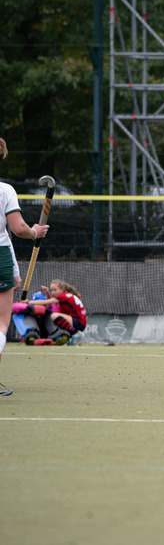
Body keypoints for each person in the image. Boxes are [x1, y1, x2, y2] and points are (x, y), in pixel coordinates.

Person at [0, 138, 51, 395]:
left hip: (3, 254)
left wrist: (17, 271)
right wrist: (35, 232)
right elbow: (17, 229)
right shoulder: (5, 190)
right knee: (1, 323)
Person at [13, 279, 87, 345]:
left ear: (62, 289)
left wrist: (29, 302)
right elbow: (51, 302)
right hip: (80, 321)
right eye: (52, 290)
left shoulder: (62, 296)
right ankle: (73, 335)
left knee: (54, 316)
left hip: (78, 322)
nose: (53, 292)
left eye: (55, 290)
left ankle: (75, 333)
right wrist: (48, 294)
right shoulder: (66, 295)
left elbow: (46, 302)